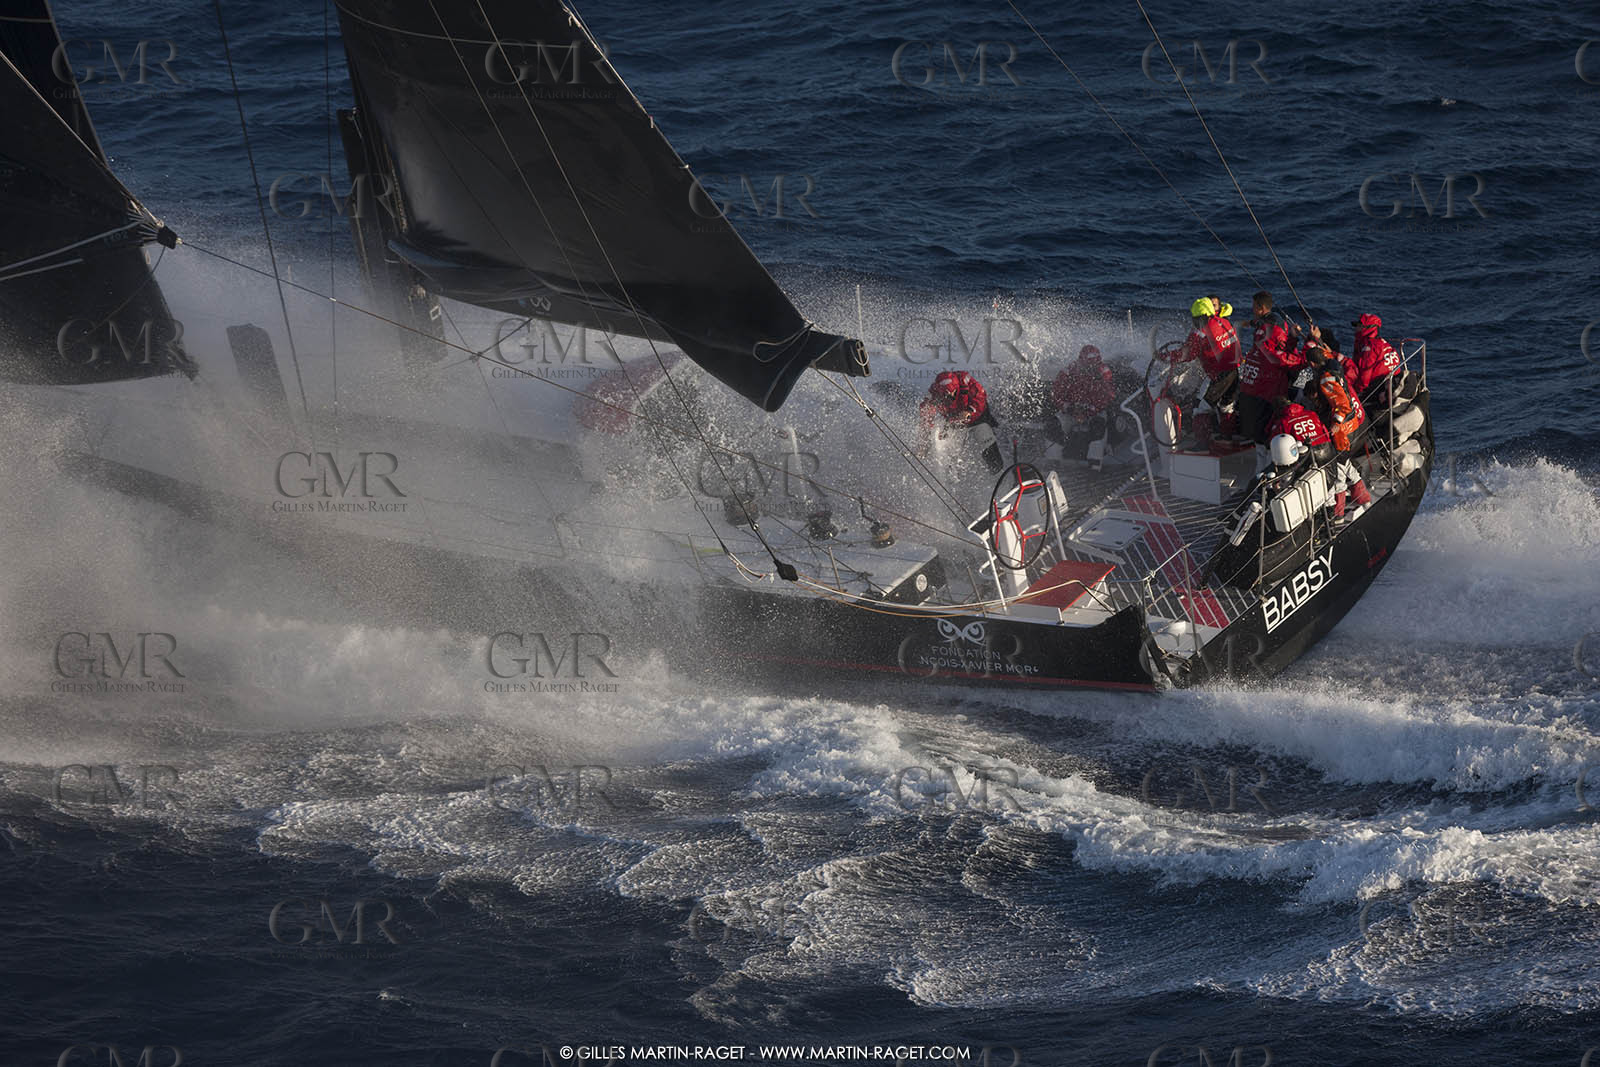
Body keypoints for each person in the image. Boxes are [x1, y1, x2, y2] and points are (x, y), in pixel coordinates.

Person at [1303, 343, 1372, 521]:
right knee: (1346, 465)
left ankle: (1338, 514)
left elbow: (1343, 404)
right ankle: (1365, 500)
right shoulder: (1333, 364)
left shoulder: (1326, 380)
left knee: (1339, 472)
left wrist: (1336, 423)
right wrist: (1317, 341)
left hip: (1343, 431)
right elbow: (1327, 354)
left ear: (1312, 364)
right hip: (1355, 424)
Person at [1236, 291, 1306, 443]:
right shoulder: (1265, 323)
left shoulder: (1271, 329)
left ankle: (1263, 442)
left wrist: (1304, 358)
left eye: (1254, 307)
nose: (1252, 310)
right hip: (1261, 380)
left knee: (1265, 418)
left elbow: (1278, 355)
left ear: (1261, 308)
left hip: (1270, 384)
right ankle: (1252, 435)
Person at [1175, 296, 1242, 437]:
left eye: (1197, 318)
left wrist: (1165, 356)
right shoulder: (1224, 322)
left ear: (1203, 316)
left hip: (1221, 375)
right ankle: (1227, 438)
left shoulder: (1202, 332)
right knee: (1226, 406)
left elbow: (1187, 355)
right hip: (1234, 371)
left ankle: (1202, 444)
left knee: (1201, 409)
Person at [920, 369, 1003, 473]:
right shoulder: (934, 393)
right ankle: (951, 478)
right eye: (946, 395)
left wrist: (969, 411)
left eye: (952, 393)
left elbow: (981, 396)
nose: (950, 396)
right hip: (954, 422)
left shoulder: (965, 381)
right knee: (950, 451)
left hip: (978, 417)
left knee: (986, 439)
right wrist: (924, 440)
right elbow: (926, 413)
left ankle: (996, 470)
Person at [1049, 344, 1119, 461]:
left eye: (1093, 365)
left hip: (1094, 412)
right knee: (1053, 425)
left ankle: (1095, 464)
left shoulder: (1104, 373)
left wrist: (1091, 409)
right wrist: (1069, 408)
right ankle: (1053, 462)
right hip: (1070, 412)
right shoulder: (1068, 372)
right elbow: (1056, 394)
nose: (1090, 368)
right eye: (1087, 364)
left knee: (1099, 426)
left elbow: (1109, 397)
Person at [1351, 313, 1414, 407]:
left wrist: (1354, 393)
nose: (1356, 328)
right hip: (1389, 384)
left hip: (1376, 389)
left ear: (1367, 328)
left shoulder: (1369, 348)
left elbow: (1364, 379)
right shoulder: (1382, 343)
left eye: (1359, 326)